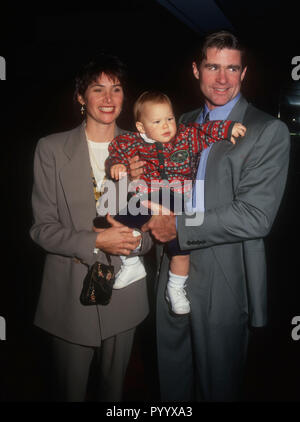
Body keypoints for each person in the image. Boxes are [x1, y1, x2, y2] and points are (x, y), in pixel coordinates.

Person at [135, 31, 290, 401]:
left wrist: (178, 226)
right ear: (196, 70)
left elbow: (255, 216)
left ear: (244, 73)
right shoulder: (177, 123)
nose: (222, 78)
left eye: (232, 68)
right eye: (213, 66)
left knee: (217, 386)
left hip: (226, 272)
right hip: (172, 265)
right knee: (171, 381)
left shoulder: (268, 130)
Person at [29, 53, 152, 402]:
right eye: (98, 89)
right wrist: (97, 240)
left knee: (115, 394)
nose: (109, 99)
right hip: (69, 295)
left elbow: (154, 224)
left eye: (116, 89)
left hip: (126, 294)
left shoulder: (143, 149)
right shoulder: (50, 149)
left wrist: (136, 241)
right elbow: (42, 229)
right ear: (80, 97)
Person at [104, 90, 245, 315]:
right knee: (119, 220)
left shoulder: (186, 136)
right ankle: (131, 265)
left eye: (169, 118)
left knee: (179, 251)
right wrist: (118, 164)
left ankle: (176, 288)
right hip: (149, 198)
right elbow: (117, 150)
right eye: (157, 121)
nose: (167, 125)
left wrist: (227, 129)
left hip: (179, 199)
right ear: (142, 127)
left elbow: (206, 131)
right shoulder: (133, 141)